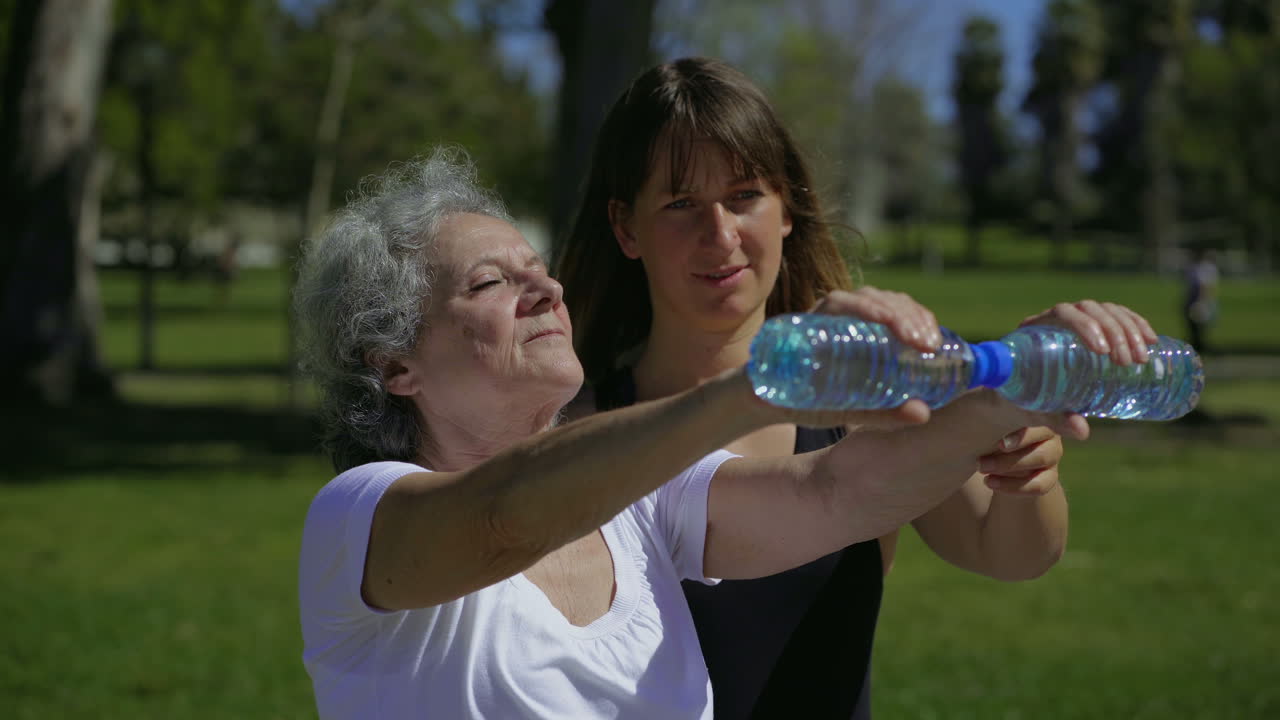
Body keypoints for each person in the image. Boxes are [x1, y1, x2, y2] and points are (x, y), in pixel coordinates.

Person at [293, 146, 1107, 719]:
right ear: (396, 366)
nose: (544, 288)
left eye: (538, 268)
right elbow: (506, 518)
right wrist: (757, 389)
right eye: (490, 282)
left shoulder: (639, 501)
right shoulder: (356, 520)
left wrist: (1016, 385)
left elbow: (838, 490)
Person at [556, 57, 1161, 719]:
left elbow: (1008, 554)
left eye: (744, 196)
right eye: (680, 204)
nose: (720, 234)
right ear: (625, 226)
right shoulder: (578, 433)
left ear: (787, 206)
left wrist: (1027, 462)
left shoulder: (879, 397)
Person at [1183, 246, 1219, 353]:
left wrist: (1201, 301)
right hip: (1192, 298)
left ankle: (1201, 346)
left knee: (1201, 325)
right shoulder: (1193, 267)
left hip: (1199, 300)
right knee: (1192, 325)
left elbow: (1205, 287)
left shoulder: (1205, 268)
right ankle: (1197, 345)